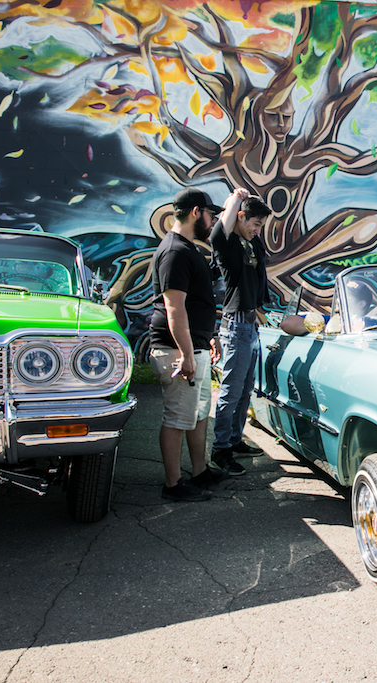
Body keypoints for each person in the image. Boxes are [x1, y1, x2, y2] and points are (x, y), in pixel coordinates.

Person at [148, 187, 225, 502]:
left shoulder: (187, 248)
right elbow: (174, 307)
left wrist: (209, 334)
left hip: (194, 345)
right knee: (178, 416)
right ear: (197, 212)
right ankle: (173, 484)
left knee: (198, 412)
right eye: (211, 214)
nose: (213, 220)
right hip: (177, 350)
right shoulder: (175, 251)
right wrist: (185, 354)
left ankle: (199, 471)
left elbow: (194, 302)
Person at [209, 190, 272, 474]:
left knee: (245, 390)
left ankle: (235, 439)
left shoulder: (251, 244)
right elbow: (218, 231)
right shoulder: (229, 245)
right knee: (231, 392)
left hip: (251, 326)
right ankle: (220, 450)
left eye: (260, 226)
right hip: (235, 327)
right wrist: (236, 197)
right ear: (239, 217)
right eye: (254, 224)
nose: (257, 231)